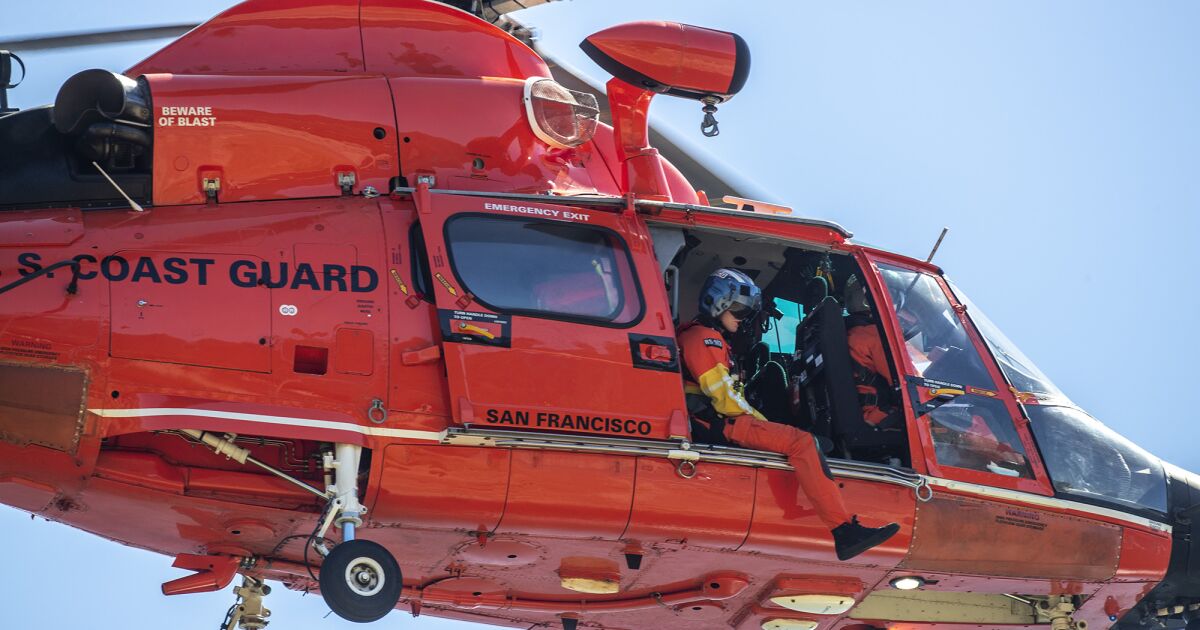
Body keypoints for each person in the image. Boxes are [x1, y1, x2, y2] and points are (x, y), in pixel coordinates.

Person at [677, 268, 900, 561]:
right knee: (802, 443)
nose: (743, 318)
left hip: (718, 420)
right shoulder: (705, 339)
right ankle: (844, 531)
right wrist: (767, 427)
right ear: (717, 303)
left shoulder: (705, 337)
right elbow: (725, 400)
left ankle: (843, 527)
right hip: (718, 423)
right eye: (739, 310)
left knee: (801, 440)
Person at [844, 275, 902, 428]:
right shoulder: (876, 335)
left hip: (857, 416)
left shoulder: (848, 332)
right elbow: (907, 381)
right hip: (876, 417)